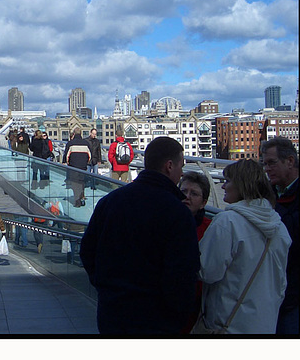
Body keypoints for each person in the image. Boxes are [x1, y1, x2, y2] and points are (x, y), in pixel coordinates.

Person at [80, 136, 199, 335]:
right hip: (157, 320)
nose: (182, 173)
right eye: (181, 166)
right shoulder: (177, 213)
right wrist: (177, 316)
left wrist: (106, 288)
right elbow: (182, 274)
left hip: (113, 314)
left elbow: (87, 251)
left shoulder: (110, 202)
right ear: (169, 166)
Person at [197, 159, 291, 334]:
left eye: (228, 181)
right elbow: (280, 283)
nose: (224, 187)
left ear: (242, 185)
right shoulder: (280, 227)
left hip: (228, 323)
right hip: (265, 324)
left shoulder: (228, 222)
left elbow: (208, 271)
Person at [260, 137, 300, 335]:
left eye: (271, 163)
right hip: (276, 291)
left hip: (294, 293)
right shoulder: (271, 195)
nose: (267, 169)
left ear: (290, 161)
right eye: (264, 164)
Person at [179, 172, 213, 333]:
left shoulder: (211, 229)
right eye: (184, 191)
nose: (187, 197)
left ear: (203, 203)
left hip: (199, 300)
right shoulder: (166, 221)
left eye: (194, 194)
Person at [63, 127, 91, 207]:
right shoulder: (86, 143)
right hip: (83, 167)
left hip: (73, 167)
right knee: (81, 183)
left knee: (75, 184)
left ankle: (77, 201)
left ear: (74, 134)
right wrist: (86, 163)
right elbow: (90, 155)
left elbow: (66, 156)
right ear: (81, 133)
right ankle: (82, 197)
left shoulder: (70, 143)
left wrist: (68, 163)